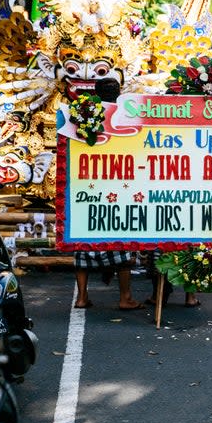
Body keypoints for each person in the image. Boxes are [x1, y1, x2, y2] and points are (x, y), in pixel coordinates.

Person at [73, 77, 141, 311]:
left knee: (83, 243)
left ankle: (81, 297)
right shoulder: (125, 115)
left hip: (86, 185)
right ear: (119, 93)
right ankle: (125, 297)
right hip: (118, 186)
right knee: (120, 245)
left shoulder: (81, 114)